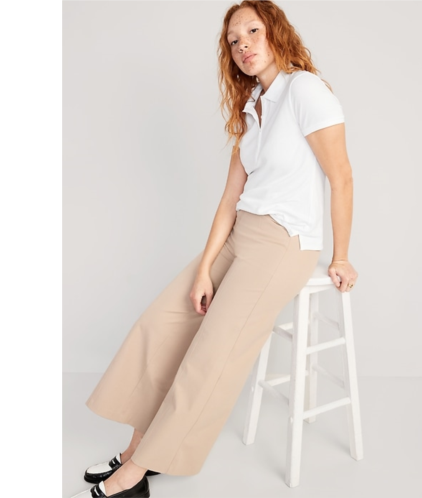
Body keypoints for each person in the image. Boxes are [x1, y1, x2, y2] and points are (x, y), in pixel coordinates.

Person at [70, 0, 358, 496]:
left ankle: (135, 476)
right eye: (233, 40)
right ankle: (136, 449)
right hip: (241, 235)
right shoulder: (251, 110)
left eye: (252, 31)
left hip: (283, 243)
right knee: (160, 326)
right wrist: (205, 268)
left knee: (209, 355)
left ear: (276, 31)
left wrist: (341, 255)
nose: (243, 45)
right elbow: (229, 200)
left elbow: (342, 176)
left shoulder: (304, 90)